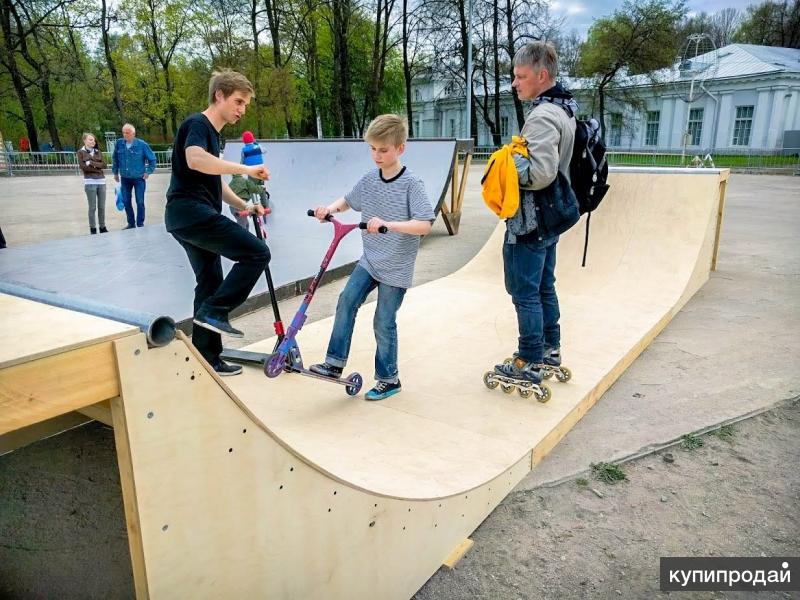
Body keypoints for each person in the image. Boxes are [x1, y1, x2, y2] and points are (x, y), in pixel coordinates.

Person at [309, 114, 434, 401]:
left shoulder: (411, 184)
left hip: (397, 267)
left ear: (400, 148)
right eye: (373, 149)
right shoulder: (369, 180)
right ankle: (333, 363)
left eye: (384, 150)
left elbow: (425, 223)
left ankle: (389, 379)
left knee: (383, 320)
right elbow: (348, 201)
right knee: (346, 300)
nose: (377, 156)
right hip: (371, 260)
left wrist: (390, 225)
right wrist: (328, 210)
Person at [165, 70, 269, 376]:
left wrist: (245, 206)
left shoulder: (214, 135)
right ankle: (216, 311)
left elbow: (215, 181)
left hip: (187, 217)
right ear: (219, 96)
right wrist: (246, 170)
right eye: (238, 101)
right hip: (191, 213)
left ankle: (206, 358)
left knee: (209, 282)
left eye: (246, 105)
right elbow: (195, 159)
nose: (241, 109)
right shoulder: (197, 124)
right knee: (257, 253)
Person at [493, 40, 577, 386]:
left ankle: (528, 359)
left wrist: (506, 158)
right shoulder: (564, 108)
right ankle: (550, 349)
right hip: (550, 220)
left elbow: (538, 174)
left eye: (520, 76)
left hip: (530, 221)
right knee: (544, 286)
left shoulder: (542, 116)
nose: (515, 83)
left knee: (524, 291)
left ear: (542, 76)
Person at [112, 123, 156, 229]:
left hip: (139, 178)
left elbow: (152, 159)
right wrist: (115, 172)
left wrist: (148, 171)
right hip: (125, 178)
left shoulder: (142, 144)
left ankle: (140, 223)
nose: (125, 135)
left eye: (127, 133)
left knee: (140, 201)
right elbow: (115, 158)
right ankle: (131, 223)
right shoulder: (119, 143)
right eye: (123, 132)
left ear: (133, 133)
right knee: (126, 201)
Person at [76, 133, 108, 235]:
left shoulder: (98, 152)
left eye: (94, 140)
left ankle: (102, 227)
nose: (93, 142)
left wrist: (91, 163)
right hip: (90, 183)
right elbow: (83, 167)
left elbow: (104, 165)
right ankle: (93, 228)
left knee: (102, 206)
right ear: (84, 140)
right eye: (90, 140)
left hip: (101, 182)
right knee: (92, 207)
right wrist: (97, 167)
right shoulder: (81, 152)